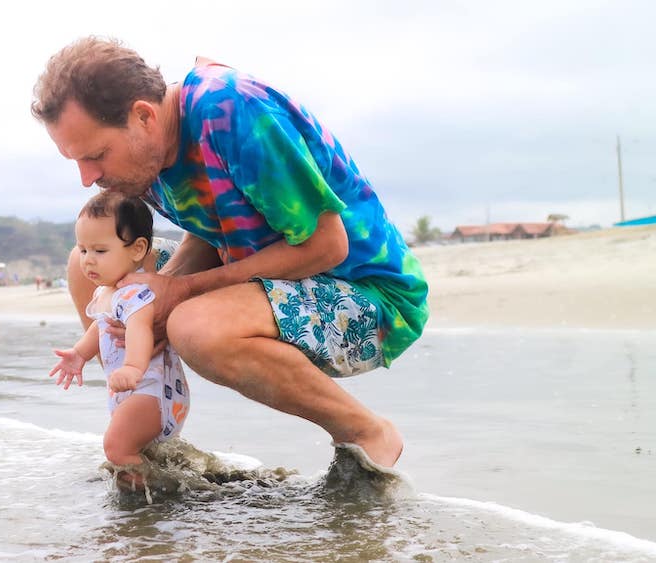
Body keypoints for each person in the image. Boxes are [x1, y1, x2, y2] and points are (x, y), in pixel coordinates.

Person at [32, 37, 428, 469]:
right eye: (75, 161)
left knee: (193, 325)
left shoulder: (230, 110)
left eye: (96, 155)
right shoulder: (145, 157)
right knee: (88, 264)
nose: (88, 178)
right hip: (273, 280)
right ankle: (142, 425)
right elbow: (212, 228)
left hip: (368, 297)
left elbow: (328, 245)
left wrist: (182, 291)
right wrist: (159, 291)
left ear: (143, 115)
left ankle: (365, 433)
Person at [49, 191, 189, 482]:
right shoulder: (106, 292)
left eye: (100, 251)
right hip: (132, 390)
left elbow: (139, 330)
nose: (87, 261)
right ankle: (152, 494)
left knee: (116, 448)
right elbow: (100, 327)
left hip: (150, 391)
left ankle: (160, 491)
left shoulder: (135, 293)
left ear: (137, 249)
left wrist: (132, 367)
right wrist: (79, 354)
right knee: (128, 451)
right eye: (83, 250)